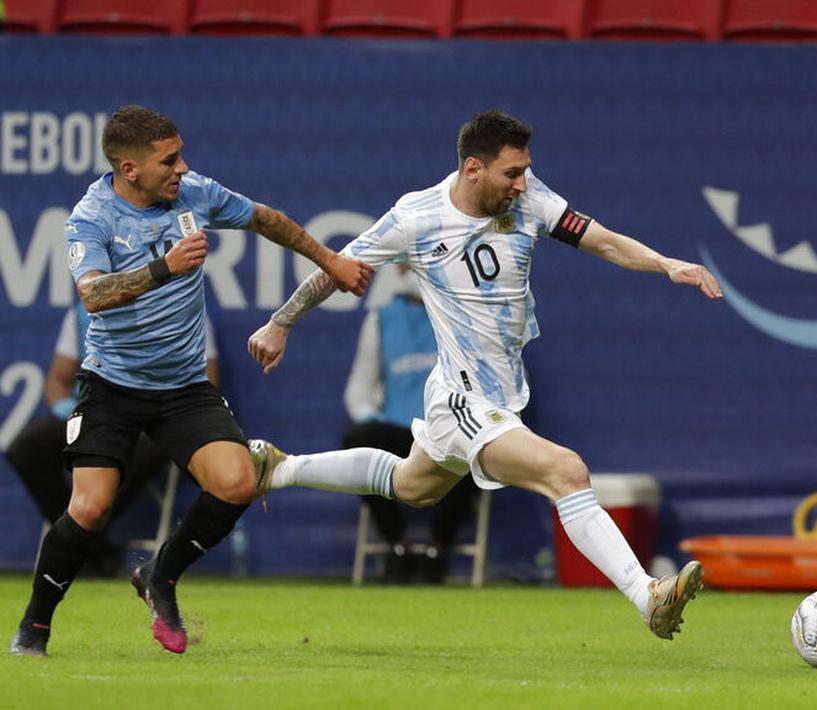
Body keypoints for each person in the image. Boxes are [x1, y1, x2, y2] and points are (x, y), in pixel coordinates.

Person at [247, 110, 720, 639]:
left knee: (413, 485)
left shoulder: (531, 199)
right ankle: (645, 594)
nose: (523, 184)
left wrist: (666, 264)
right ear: (473, 168)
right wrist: (279, 323)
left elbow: (603, 240)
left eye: (525, 171)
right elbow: (335, 268)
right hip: (460, 398)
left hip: (500, 397)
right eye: (511, 173)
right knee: (566, 472)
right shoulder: (416, 217)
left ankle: (280, 469)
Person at [9, 104, 374, 657]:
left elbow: (265, 218)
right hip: (111, 386)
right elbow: (94, 295)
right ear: (129, 169)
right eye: (169, 160)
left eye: (180, 156)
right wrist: (166, 267)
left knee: (236, 482)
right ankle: (35, 623)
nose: (182, 169)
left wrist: (331, 260)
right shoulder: (91, 218)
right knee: (88, 508)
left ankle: (161, 574)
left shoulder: (194, 193)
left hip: (182, 388)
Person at [4, 304, 221, 576]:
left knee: (146, 450)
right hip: (95, 415)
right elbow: (57, 381)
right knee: (27, 447)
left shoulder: (189, 311)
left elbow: (207, 381)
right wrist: (73, 413)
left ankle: (79, 545)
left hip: (154, 423)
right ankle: (96, 550)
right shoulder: (82, 314)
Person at [343, 266, 478, 584]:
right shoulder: (381, 318)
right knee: (360, 441)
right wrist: (369, 417)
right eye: (405, 264)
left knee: (478, 449)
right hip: (399, 430)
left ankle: (438, 549)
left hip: (453, 430)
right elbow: (358, 391)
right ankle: (397, 546)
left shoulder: (467, 316)